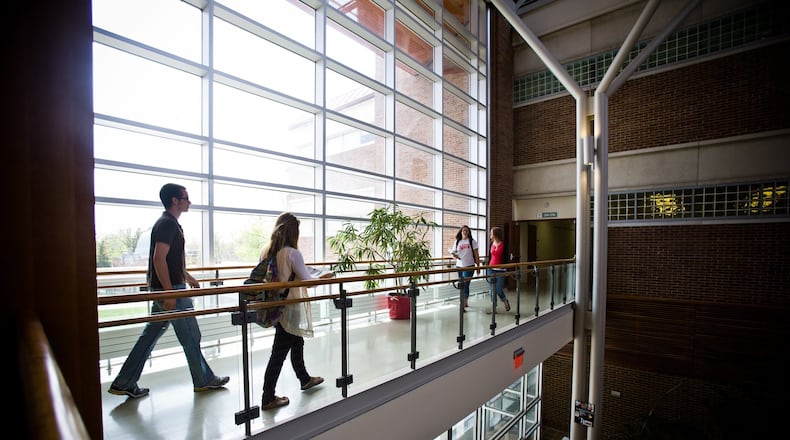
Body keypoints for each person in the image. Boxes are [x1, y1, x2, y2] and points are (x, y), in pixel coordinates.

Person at [108, 183, 229, 398]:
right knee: (191, 335)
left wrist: (187, 276)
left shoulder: (169, 223)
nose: (189, 201)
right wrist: (169, 292)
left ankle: (124, 381)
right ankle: (204, 380)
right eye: (186, 197)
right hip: (170, 290)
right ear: (175, 200)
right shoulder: (167, 224)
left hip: (167, 287)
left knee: (150, 336)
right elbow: (158, 258)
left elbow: (171, 261)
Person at [260, 212, 333, 410]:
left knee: (296, 341)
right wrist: (324, 277)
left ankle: (304, 378)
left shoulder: (267, 251)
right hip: (290, 306)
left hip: (275, 306)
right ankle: (268, 397)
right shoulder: (292, 253)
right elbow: (307, 282)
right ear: (294, 232)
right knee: (280, 352)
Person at [450, 225, 480, 311]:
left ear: (469, 232)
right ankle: (464, 301)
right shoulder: (457, 241)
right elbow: (454, 254)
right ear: (461, 231)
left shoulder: (472, 241)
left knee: (466, 284)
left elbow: (476, 255)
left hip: (469, 266)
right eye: (463, 230)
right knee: (461, 284)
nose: (465, 232)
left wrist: (478, 267)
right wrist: (454, 256)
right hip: (459, 266)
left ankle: (463, 302)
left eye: (467, 230)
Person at [487, 226, 510, 312]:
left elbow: (507, 257)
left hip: (501, 270)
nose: (490, 234)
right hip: (490, 269)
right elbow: (490, 257)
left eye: (491, 233)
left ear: (495, 234)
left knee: (498, 289)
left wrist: (507, 269)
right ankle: (494, 307)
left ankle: (505, 301)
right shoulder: (491, 244)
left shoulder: (504, 244)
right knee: (492, 290)